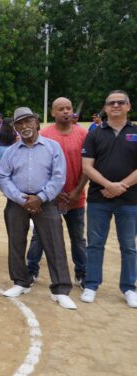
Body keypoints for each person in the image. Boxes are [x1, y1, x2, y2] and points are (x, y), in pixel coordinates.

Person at [0, 107, 76, 310]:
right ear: (15, 127)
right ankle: (20, 282)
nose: (25, 126)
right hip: (18, 202)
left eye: (28, 121)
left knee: (54, 243)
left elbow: (59, 176)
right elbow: (4, 177)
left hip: (46, 202)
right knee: (16, 242)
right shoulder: (10, 152)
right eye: (20, 123)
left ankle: (60, 289)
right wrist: (22, 199)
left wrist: (40, 198)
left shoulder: (52, 147)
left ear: (36, 123)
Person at [80, 90, 137, 308]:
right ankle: (92, 285)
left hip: (130, 199)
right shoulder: (95, 133)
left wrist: (120, 187)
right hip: (99, 198)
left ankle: (129, 287)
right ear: (105, 108)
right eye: (111, 103)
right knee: (95, 244)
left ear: (128, 106)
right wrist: (109, 185)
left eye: (120, 102)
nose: (115, 106)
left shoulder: (135, 132)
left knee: (129, 245)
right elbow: (87, 166)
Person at [26, 97, 88, 286]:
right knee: (40, 235)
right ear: (53, 112)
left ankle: (82, 273)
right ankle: (31, 270)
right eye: (61, 109)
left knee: (77, 237)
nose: (66, 111)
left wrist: (78, 190)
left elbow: (88, 166)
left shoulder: (83, 134)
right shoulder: (44, 134)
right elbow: (38, 166)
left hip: (75, 196)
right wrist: (52, 191)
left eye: (68, 108)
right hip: (49, 198)